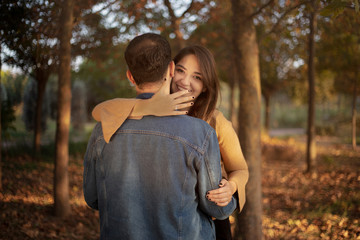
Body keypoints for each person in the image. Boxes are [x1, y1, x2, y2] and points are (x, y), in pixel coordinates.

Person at [83, 33, 236, 240]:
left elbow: (93, 198)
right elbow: (216, 208)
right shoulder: (200, 133)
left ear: (130, 76)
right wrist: (231, 198)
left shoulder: (103, 130)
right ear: (171, 70)